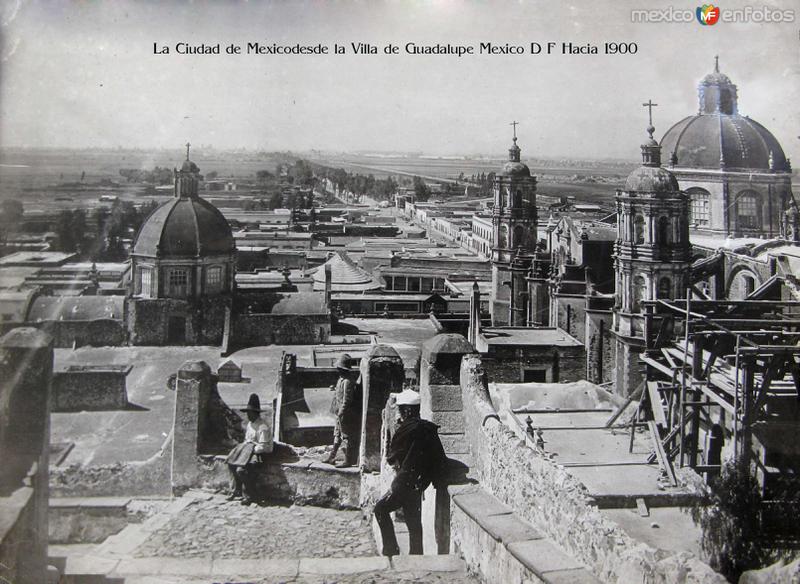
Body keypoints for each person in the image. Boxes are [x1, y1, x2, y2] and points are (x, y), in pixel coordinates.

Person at [374, 388, 448, 556]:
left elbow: (392, 457)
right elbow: (437, 458)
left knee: (380, 509)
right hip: (418, 484)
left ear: (407, 410)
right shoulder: (427, 428)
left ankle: (391, 549)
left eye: (400, 409)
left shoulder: (406, 429)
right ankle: (416, 555)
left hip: (404, 482)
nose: (399, 413)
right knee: (413, 522)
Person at [226, 393, 270, 505]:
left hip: (259, 453)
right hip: (249, 450)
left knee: (241, 470)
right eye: (247, 413)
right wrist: (244, 450)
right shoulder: (250, 424)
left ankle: (250, 495)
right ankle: (236, 490)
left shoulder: (262, 426)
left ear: (255, 413)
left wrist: (249, 451)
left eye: (249, 413)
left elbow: (263, 447)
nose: (247, 416)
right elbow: (247, 439)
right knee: (231, 462)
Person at [323, 354, 362, 468]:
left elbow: (347, 399)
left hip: (346, 414)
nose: (338, 370)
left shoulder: (348, 381)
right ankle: (332, 457)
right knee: (337, 434)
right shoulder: (341, 380)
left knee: (347, 436)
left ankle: (348, 460)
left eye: (339, 368)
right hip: (339, 413)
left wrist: (341, 412)